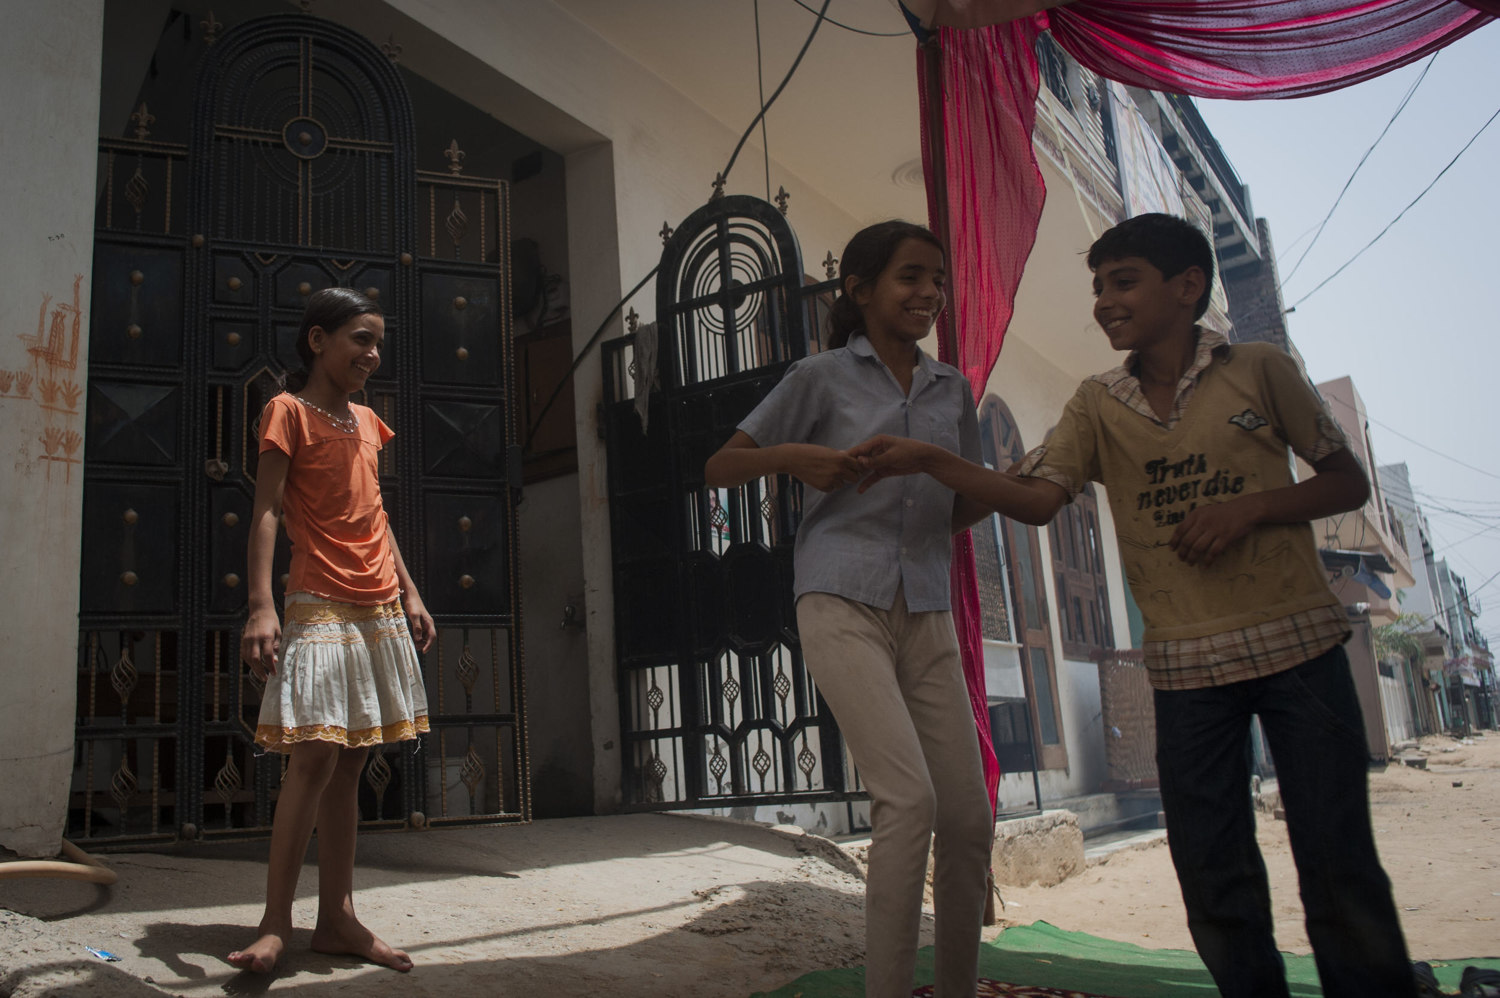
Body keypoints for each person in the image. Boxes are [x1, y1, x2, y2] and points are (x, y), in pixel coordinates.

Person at [851, 212, 1417, 998]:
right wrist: (931, 462)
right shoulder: (1096, 403)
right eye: (1098, 288)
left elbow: (1346, 482)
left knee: (1337, 862)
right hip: (1185, 672)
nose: (1104, 303)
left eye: (1123, 282)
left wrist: (1249, 509)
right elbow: (1036, 498)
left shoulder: (1260, 368)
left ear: (1187, 287)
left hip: (1301, 652)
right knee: (1215, 876)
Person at [704, 221, 993, 998]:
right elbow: (720, 465)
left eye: (937, 278)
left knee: (968, 816)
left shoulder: (952, 390)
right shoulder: (821, 377)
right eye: (909, 277)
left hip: (926, 607)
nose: (928, 293)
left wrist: (935, 522)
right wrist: (794, 460)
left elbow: (968, 498)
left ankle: (959, 987)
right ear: (860, 291)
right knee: (910, 798)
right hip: (838, 600)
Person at [230, 287, 433, 975]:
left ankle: (338, 919)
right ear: (317, 341)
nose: (372, 355)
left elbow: (376, 514)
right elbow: (264, 513)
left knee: (352, 760)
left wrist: (410, 590)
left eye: (378, 344)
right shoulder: (286, 412)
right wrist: (261, 606)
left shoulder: (369, 425)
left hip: (378, 607)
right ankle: (274, 923)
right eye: (360, 340)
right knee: (314, 754)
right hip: (317, 599)